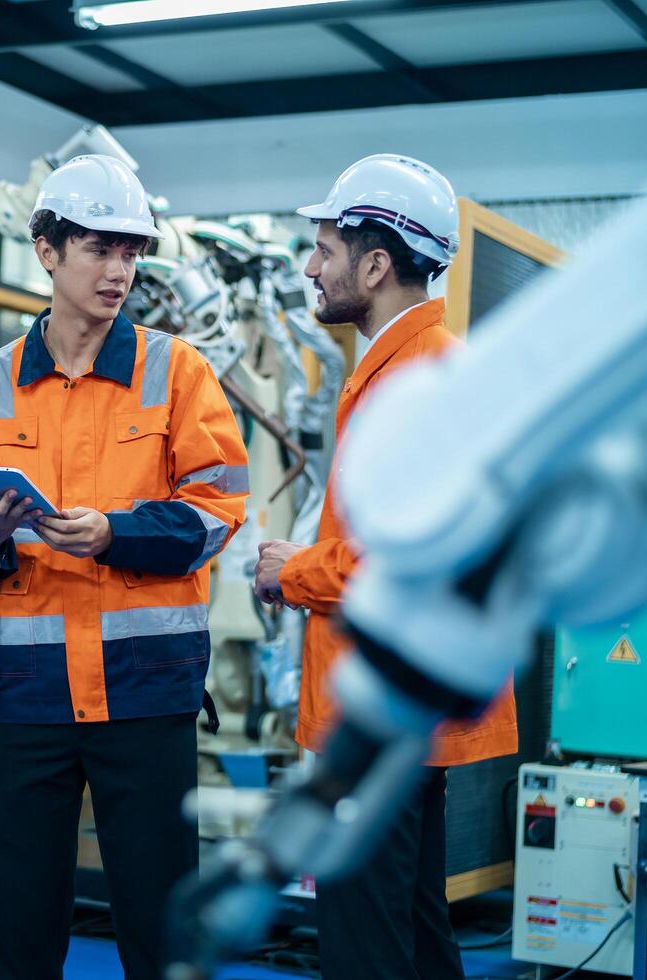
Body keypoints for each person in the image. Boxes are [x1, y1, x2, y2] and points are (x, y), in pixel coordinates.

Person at [0, 154, 249, 980]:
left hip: (145, 693)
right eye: (99, 249)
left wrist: (112, 533)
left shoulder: (178, 373)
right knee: (21, 924)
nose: (119, 271)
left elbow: (216, 518)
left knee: (160, 927)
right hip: (25, 699)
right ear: (45, 249)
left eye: (131, 252)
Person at [253, 155, 519, 980]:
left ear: (375, 264)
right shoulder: (411, 369)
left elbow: (404, 565)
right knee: (411, 921)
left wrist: (291, 571)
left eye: (325, 248)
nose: (309, 267)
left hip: (380, 715)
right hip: (401, 707)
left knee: (366, 940)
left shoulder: (418, 380)